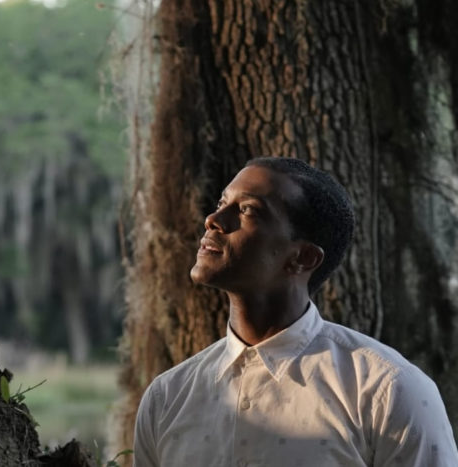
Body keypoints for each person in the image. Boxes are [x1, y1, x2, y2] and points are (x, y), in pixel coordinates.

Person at [133, 157, 458, 466]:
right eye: (221, 204)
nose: (213, 220)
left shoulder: (386, 390)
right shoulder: (167, 398)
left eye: (248, 210)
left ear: (303, 257)